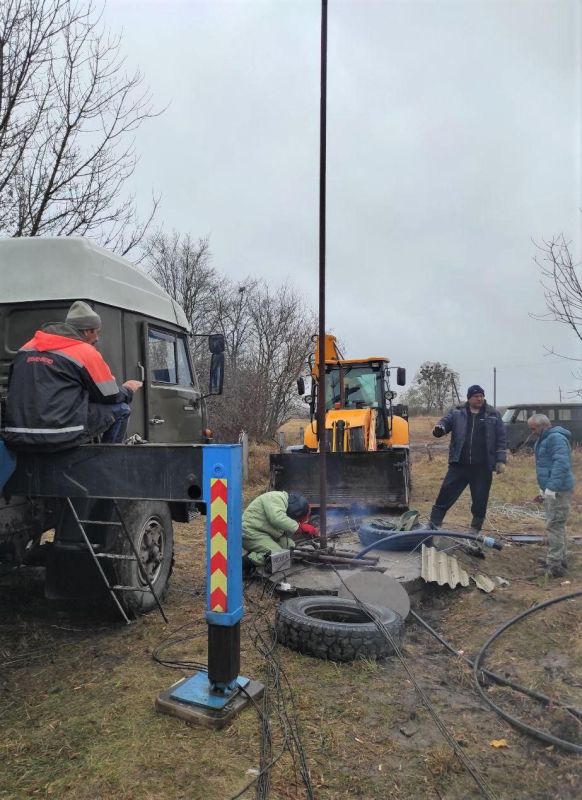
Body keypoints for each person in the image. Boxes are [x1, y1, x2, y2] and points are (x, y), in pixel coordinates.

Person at [3, 301, 142, 450]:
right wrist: (127, 390)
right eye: (97, 331)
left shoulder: (26, 348)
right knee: (122, 409)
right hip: (60, 434)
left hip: (16, 434)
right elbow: (109, 395)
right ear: (88, 331)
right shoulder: (84, 351)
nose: (98, 338)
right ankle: (108, 461)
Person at [429, 385, 507, 532]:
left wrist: (501, 460)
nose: (480, 398)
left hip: (482, 467)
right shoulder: (457, 412)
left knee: (480, 500)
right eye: (476, 396)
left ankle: (474, 531)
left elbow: (501, 438)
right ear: (469, 398)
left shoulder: (492, 414)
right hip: (459, 464)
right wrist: (440, 428)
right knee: (445, 494)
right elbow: (445, 422)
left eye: (481, 396)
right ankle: (433, 525)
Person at [528, 413, 575, 578]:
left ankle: (554, 565)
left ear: (543, 426)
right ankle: (559, 559)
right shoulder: (546, 438)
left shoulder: (555, 439)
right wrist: (543, 489)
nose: (532, 432)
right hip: (553, 488)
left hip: (559, 490)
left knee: (554, 525)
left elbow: (561, 463)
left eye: (533, 428)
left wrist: (552, 488)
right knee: (557, 525)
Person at [242, 490, 318, 567]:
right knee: (278, 555)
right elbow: (276, 518)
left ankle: (259, 552)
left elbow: (284, 529)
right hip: (250, 532)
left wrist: (298, 529)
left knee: (290, 546)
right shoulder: (276, 497)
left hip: (264, 533)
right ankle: (244, 563)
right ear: (296, 510)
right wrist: (299, 527)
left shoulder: (285, 506)